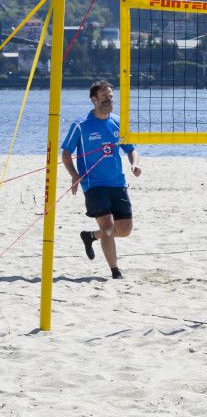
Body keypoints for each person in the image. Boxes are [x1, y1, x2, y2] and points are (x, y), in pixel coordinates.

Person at [60, 80, 142, 280]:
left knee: (124, 230)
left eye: (111, 97)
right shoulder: (81, 125)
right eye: (105, 97)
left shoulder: (117, 122)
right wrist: (75, 175)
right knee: (107, 227)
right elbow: (66, 154)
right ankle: (115, 271)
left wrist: (134, 164)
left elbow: (131, 149)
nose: (109, 100)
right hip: (94, 185)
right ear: (94, 100)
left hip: (117, 183)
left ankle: (90, 236)